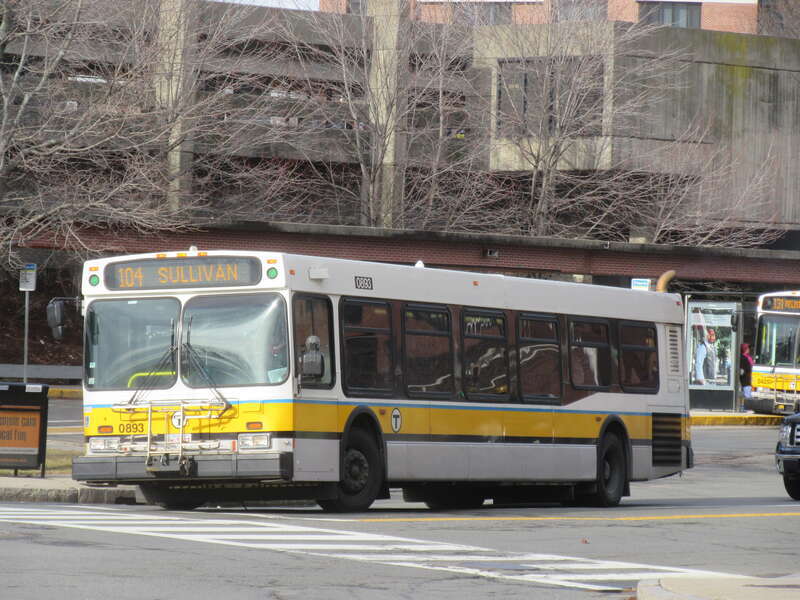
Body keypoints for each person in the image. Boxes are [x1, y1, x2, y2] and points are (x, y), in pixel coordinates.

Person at [739, 342, 754, 409]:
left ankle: (747, 407)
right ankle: (746, 407)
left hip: (749, 380)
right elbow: (742, 370)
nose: (749, 349)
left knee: (748, 394)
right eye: (747, 348)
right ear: (744, 349)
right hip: (745, 380)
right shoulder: (743, 358)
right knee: (747, 395)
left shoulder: (748, 357)